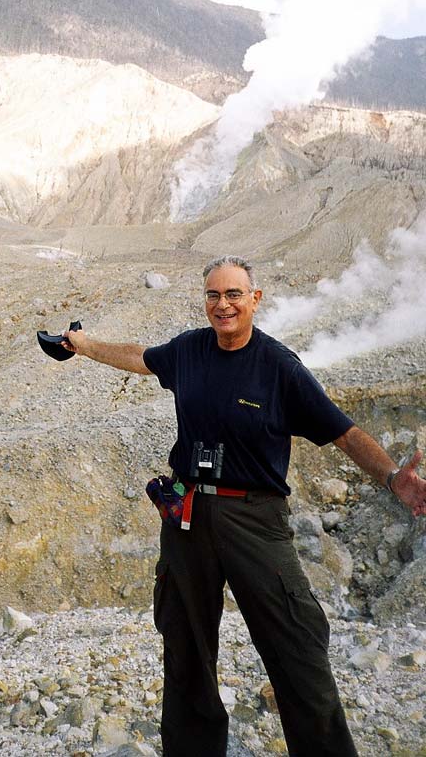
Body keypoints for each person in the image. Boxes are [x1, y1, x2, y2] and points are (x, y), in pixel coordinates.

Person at [61, 255, 426, 757]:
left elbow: (343, 432)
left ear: (255, 299)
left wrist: (390, 477)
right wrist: (83, 346)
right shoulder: (189, 350)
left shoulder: (279, 367)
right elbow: (140, 357)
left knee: (297, 647)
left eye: (234, 294)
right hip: (188, 517)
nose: (223, 304)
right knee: (185, 649)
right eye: (214, 295)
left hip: (256, 519)